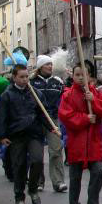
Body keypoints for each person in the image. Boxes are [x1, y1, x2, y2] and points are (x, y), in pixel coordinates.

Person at [0, 64, 57, 204]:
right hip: (16, 135)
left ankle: (33, 189)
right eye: (21, 77)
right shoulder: (7, 95)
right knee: (19, 166)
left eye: (26, 76)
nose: (24, 80)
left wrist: (51, 127)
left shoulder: (35, 93)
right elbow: (1, 117)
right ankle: (19, 196)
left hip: (34, 133)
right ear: (14, 77)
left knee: (37, 160)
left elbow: (44, 112)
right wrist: (2, 136)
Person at [58, 64, 102, 204]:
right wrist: (85, 119)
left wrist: (93, 100)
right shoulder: (67, 95)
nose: (81, 77)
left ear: (90, 76)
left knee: (96, 173)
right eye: (77, 74)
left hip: (94, 142)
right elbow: (65, 116)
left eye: (84, 74)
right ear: (73, 76)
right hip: (76, 142)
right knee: (75, 177)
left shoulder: (96, 92)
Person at [30, 54, 67, 193]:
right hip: (37, 120)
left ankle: (58, 182)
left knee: (56, 150)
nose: (50, 66)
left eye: (51, 64)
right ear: (40, 67)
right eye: (47, 64)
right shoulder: (31, 82)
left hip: (52, 119)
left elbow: (65, 97)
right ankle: (39, 181)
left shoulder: (57, 82)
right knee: (37, 153)